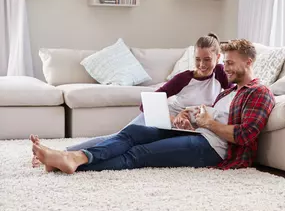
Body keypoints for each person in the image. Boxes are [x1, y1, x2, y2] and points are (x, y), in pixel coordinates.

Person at [31, 39, 275, 173]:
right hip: (197, 131)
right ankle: (72, 157)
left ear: (249, 62)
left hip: (212, 148)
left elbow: (244, 135)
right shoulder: (232, 90)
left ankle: (72, 162)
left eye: (231, 63)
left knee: (139, 154)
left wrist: (207, 122)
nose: (227, 68)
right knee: (134, 133)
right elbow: (211, 113)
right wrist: (190, 116)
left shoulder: (259, 94)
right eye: (227, 63)